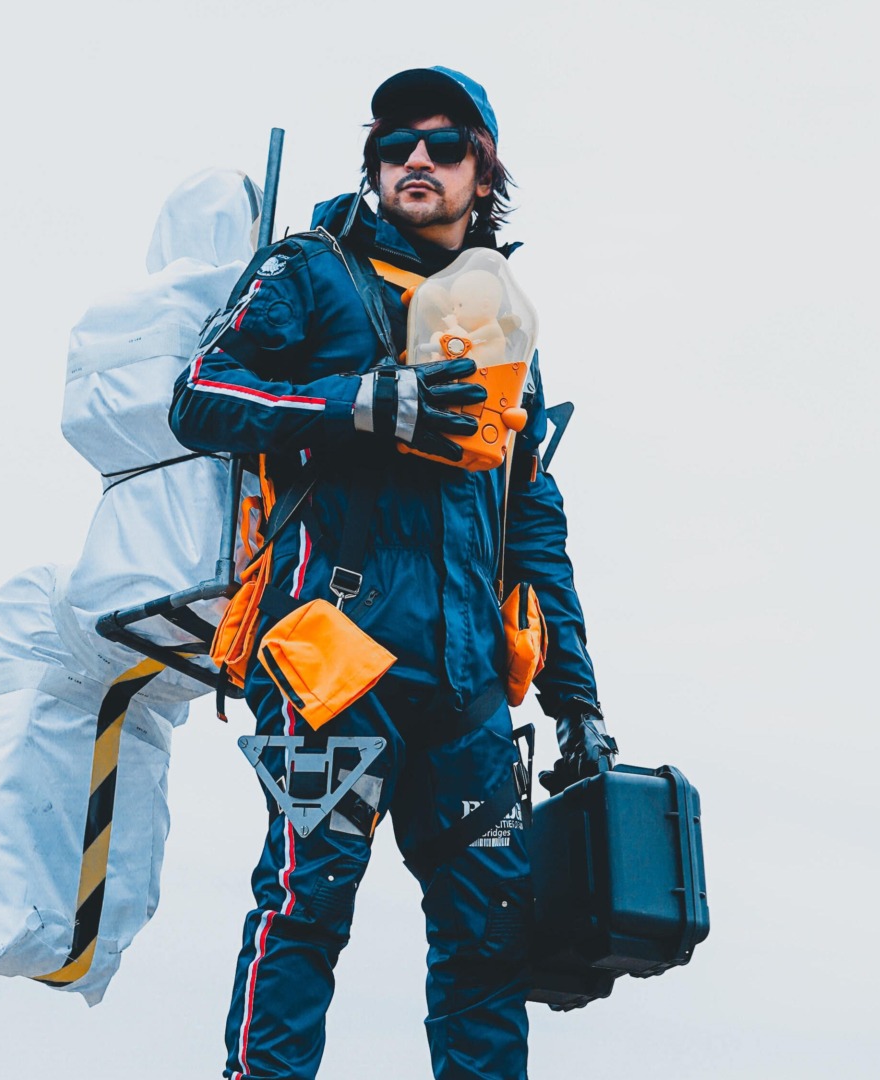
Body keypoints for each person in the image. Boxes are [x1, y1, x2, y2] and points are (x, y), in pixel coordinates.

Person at [169, 66, 616, 1080]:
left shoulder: (504, 330)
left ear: (481, 173)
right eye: (394, 143)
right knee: (306, 903)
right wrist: (362, 403)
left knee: (491, 936)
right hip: (331, 663)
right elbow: (200, 397)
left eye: (444, 144)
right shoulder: (311, 270)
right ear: (372, 164)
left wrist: (578, 702)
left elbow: (531, 524)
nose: (416, 157)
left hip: (467, 692)